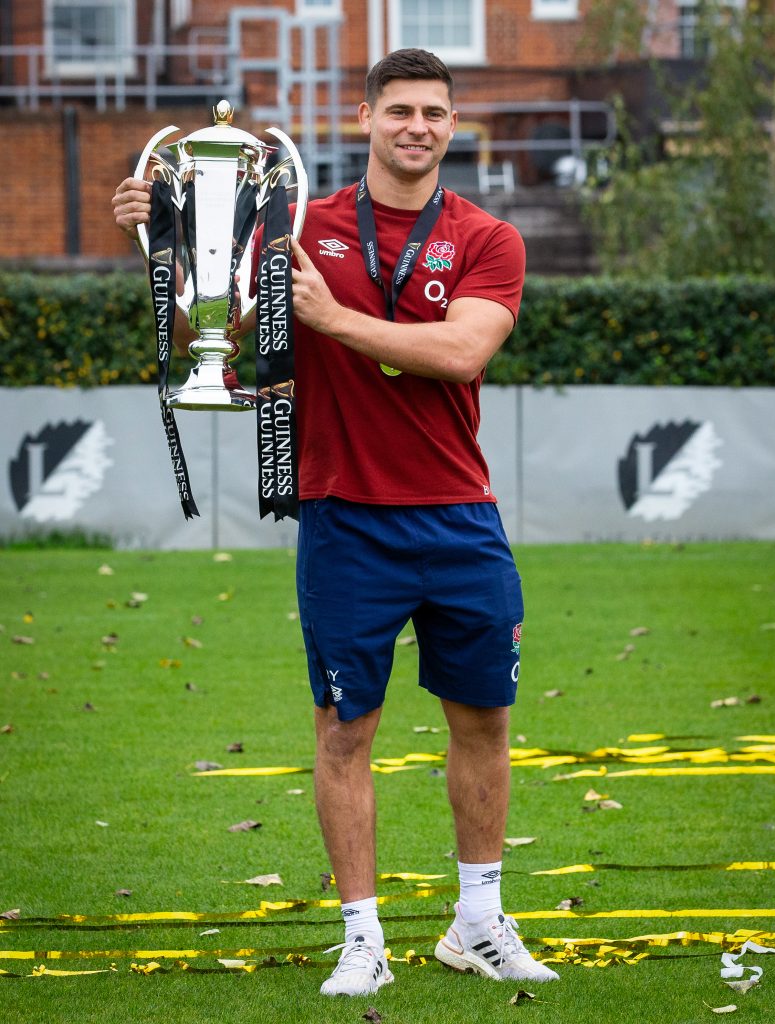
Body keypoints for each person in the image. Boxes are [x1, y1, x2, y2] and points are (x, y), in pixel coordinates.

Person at [112, 47, 558, 998]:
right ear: (364, 117)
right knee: (344, 731)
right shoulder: (298, 229)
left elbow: (462, 349)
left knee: (484, 722)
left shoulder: (489, 238)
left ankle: (477, 923)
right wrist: (168, 242)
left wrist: (336, 318)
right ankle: (364, 939)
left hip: (460, 517)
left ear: (451, 124)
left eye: (434, 112)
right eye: (399, 109)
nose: (417, 127)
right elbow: (219, 323)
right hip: (346, 518)